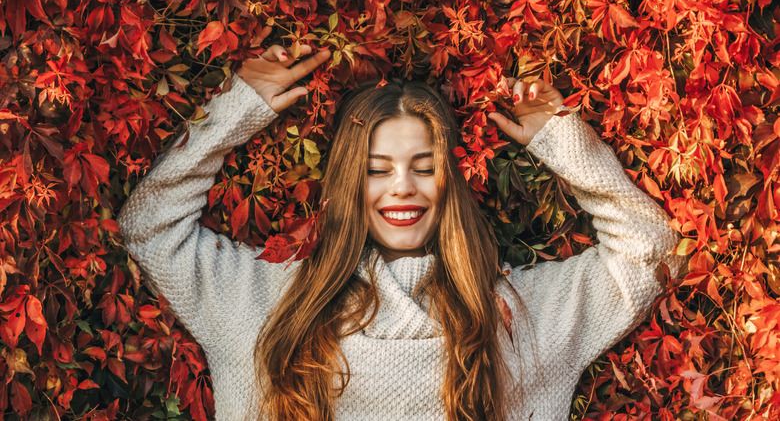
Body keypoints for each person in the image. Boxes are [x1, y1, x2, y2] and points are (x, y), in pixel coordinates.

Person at [117, 32, 681, 420]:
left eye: (424, 166)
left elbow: (650, 250)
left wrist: (561, 139)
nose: (402, 187)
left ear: (451, 183)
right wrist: (234, 111)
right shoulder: (263, 301)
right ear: (344, 184)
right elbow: (148, 227)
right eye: (376, 169)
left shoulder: (522, 315)